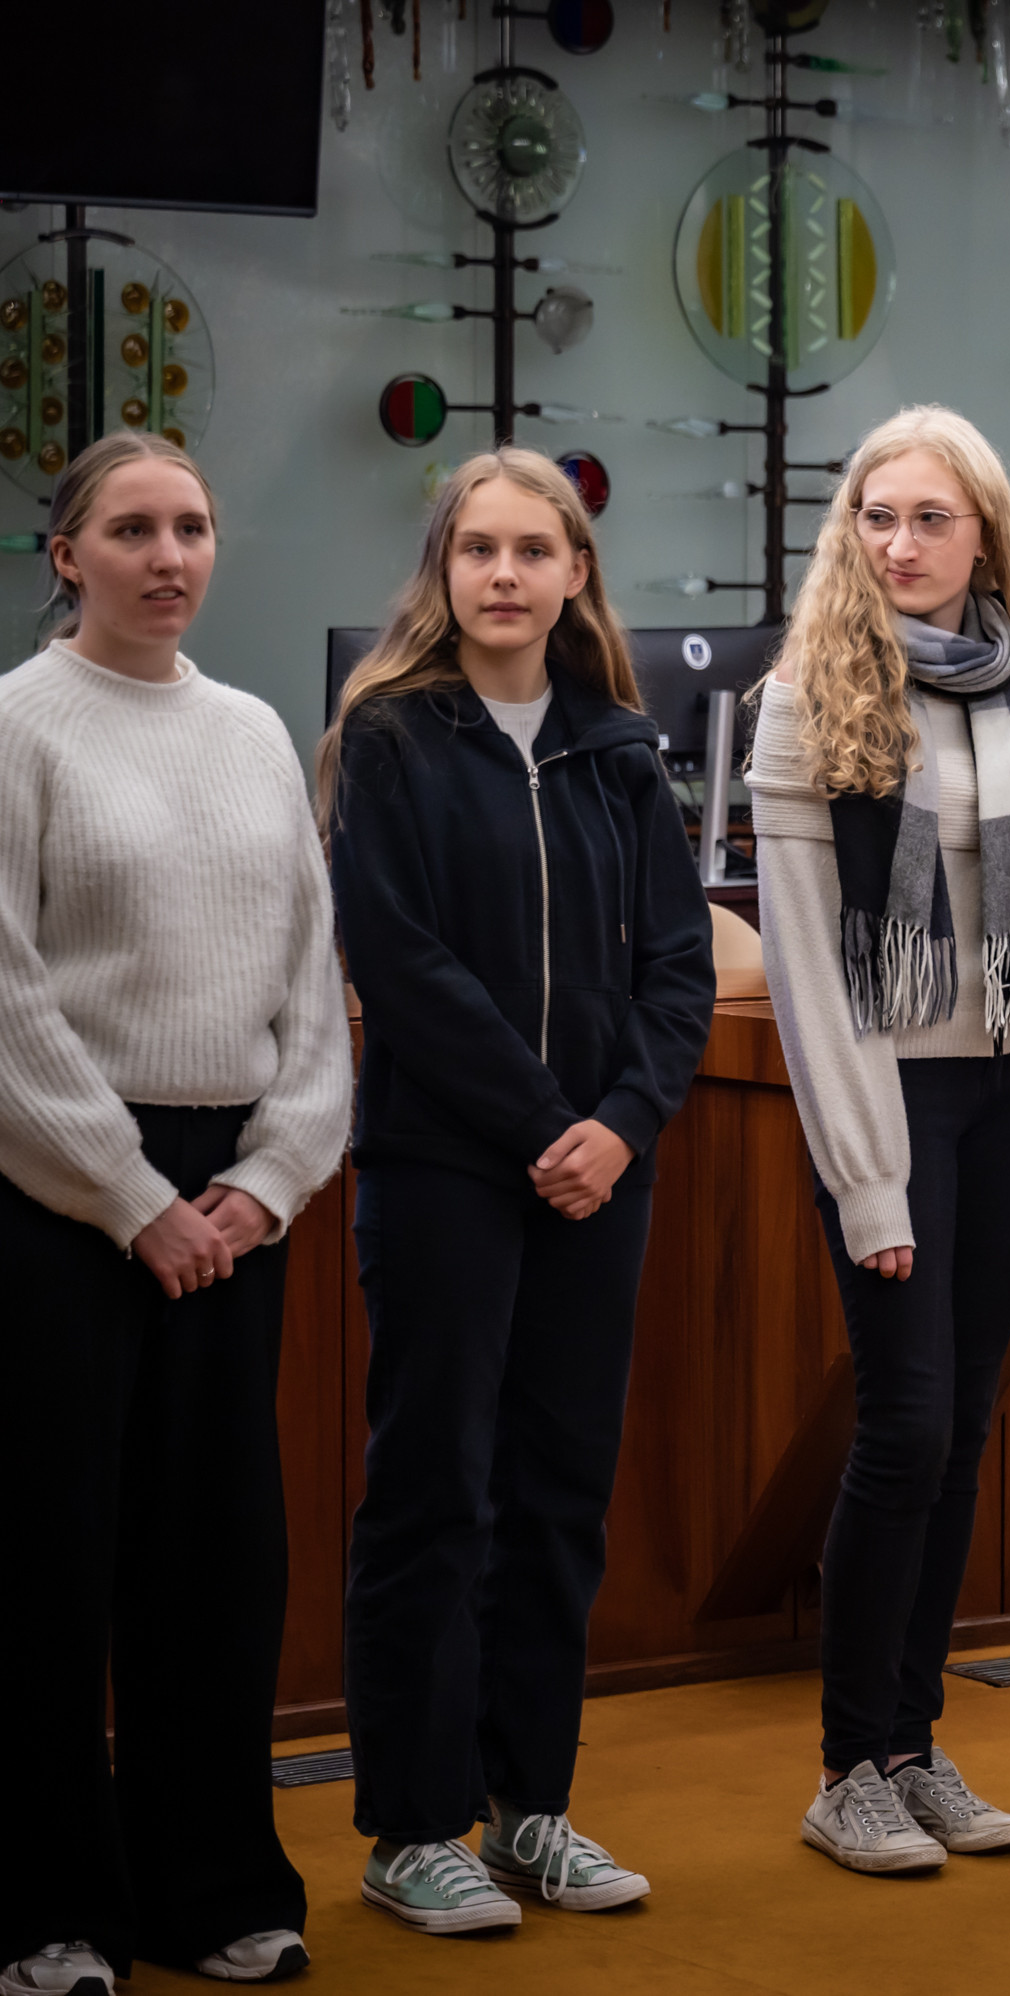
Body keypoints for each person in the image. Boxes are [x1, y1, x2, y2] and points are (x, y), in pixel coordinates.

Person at [324, 447, 717, 1936]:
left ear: (574, 574)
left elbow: (678, 967)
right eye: (478, 548)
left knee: (560, 1492)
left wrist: (620, 1125)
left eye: (532, 550)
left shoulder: (619, 746)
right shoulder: (390, 735)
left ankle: (530, 1806)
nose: (504, 574)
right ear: (445, 569)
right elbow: (397, 956)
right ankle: (414, 1824)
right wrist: (550, 1123)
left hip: (598, 1178)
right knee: (437, 1490)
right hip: (448, 1165)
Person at [0, 434, 349, 1994]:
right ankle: (46, 1911)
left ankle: (210, 1890)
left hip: (231, 1201)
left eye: (192, 527)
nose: (168, 556)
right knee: (47, 1563)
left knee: (215, 1566)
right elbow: (6, 1001)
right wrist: (132, 1197)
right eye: (133, 529)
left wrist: (270, 1181)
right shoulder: (18, 726)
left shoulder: (256, 732)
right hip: (58, 1189)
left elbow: (309, 989)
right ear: (66, 556)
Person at [748, 406, 1010, 1871]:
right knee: (905, 1425)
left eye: (931, 518)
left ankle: (910, 1739)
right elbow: (807, 974)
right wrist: (868, 1177)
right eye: (877, 517)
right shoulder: (808, 700)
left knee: (963, 1432)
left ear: (984, 535)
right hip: (898, 1101)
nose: (901, 544)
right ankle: (846, 1767)